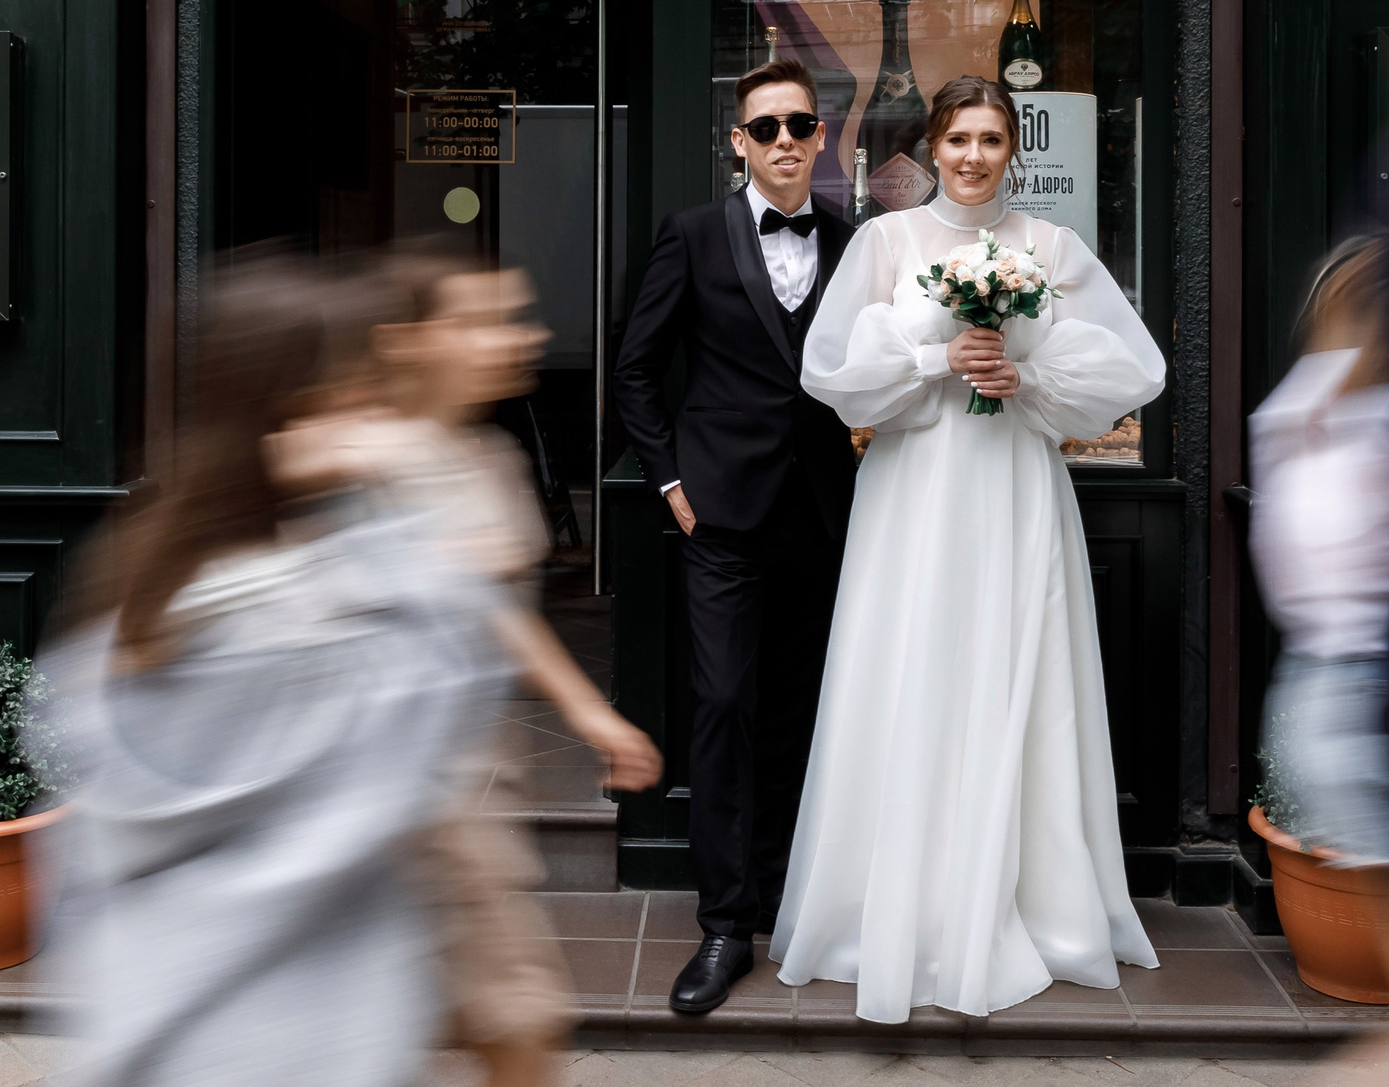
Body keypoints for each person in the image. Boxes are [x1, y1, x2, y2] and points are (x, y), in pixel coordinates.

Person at [34, 253, 507, 1087]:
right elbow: (448, 677)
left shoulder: (142, 599)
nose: (376, 421)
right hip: (315, 1042)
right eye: (360, 396)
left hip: (164, 1036)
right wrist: (394, 507)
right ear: (297, 419)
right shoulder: (320, 633)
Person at [772, 75, 1167, 1023]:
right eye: (959, 139)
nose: (975, 156)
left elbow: (1133, 364)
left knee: (1013, 675)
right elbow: (829, 370)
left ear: (1012, 149)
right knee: (911, 669)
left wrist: (1022, 372)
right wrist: (933, 357)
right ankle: (895, 909)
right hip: (915, 489)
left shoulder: (1050, 245)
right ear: (934, 146)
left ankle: (1029, 903)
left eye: (992, 139)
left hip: (1014, 485)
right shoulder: (885, 241)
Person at [367, 259, 663, 1087]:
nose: (523, 336)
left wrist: (591, 713)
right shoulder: (352, 458)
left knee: (511, 1021)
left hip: (465, 790)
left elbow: (499, 612)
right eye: (484, 320)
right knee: (513, 1017)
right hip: (391, 807)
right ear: (408, 343)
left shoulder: (487, 459)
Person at [609, 58, 859, 1014]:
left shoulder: (853, 240)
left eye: (801, 125)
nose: (786, 141)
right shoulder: (692, 236)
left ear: (822, 137)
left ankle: (784, 898)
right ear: (738, 141)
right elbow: (636, 369)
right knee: (720, 704)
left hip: (825, 515)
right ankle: (724, 924)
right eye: (767, 128)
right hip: (717, 515)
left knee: (799, 714)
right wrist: (668, 478)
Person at [1246, 235, 1389, 1085]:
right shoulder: (1379, 407)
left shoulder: (1327, 406)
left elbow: (1299, 558)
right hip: (1369, 680)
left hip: (1348, 678)